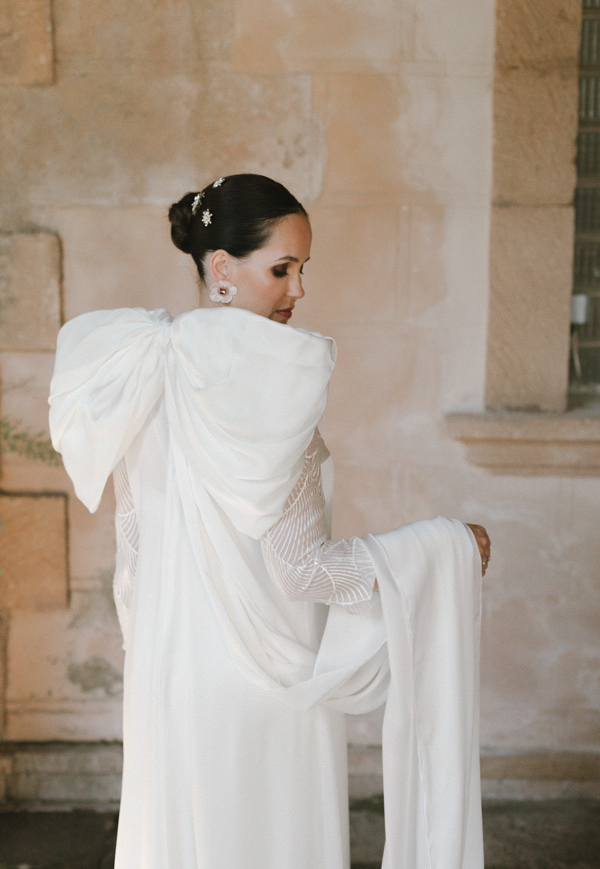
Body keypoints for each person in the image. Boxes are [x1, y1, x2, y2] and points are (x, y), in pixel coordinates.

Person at [49, 174, 490, 869]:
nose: (299, 290)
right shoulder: (274, 383)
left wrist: (157, 655)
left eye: (303, 269)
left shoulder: (140, 364)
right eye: (282, 269)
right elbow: (302, 571)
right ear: (223, 267)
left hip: (169, 680)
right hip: (262, 691)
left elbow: (132, 551)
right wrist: (442, 547)